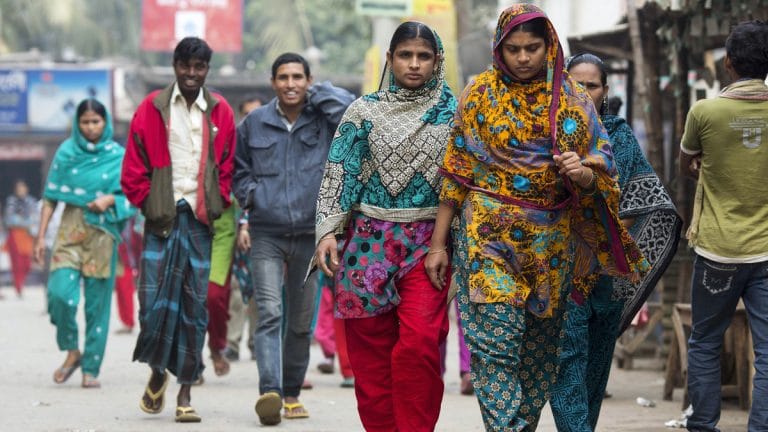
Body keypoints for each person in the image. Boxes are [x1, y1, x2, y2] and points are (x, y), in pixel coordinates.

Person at [424, 4, 649, 430]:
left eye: (532, 48)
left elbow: (605, 169)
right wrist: (438, 244)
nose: (523, 57)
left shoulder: (573, 100)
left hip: (552, 248)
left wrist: (582, 173)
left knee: (539, 357)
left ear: (549, 47)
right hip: (487, 238)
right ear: (499, 48)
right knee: (497, 344)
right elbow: (456, 172)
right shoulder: (479, 96)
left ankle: (518, 425)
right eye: (513, 49)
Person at [314, 21, 456, 431]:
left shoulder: (455, 115)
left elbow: (462, 181)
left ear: (436, 61)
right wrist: (327, 231)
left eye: (423, 56)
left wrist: (448, 244)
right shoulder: (363, 111)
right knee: (371, 357)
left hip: (429, 245)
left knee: (420, 346)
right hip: (367, 245)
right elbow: (339, 171)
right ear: (390, 59)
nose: (414, 64)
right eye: (405, 55)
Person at [549, 52, 682, 431]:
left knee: (595, 366)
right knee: (566, 358)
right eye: (574, 84)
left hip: (607, 275)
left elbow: (648, 201)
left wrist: (609, 239)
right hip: (560, 270)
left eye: (591, 85)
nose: (583, 92)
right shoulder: (544, 134)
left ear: (605, 91)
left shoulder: (619, 136)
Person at [233, 52, 354, 425]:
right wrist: (253, 199)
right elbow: (239, 172)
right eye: (283, 77)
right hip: (267, 233)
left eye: (298, 77)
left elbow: (350, 111)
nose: (290, 84)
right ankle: (269, 391)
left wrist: (318, 93)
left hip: (311, 236)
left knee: (301, 322)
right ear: (272, 82)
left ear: (308, 79)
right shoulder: (254, 123)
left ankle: (291, 392)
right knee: (270, 312)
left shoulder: (323, 118)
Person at [121, 36, 236, 423]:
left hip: (201, 222)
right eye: (185, 66)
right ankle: (157, 371)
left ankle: (186, 391)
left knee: (194, 308)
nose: (191, 74)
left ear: (207, 69)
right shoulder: (151, 107)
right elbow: (133, 167)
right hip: (161, 221)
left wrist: (217, 199)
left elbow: (228, 166)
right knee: (151, 305)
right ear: (174, 65)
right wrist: (150, 204)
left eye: (199, 67)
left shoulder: (220, 111)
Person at [679, 20, 768, 432]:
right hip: (766, 252)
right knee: (767, 352)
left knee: (705, 342)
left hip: (716, 250)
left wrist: (707, 168)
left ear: (727, 63)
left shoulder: (705, 111)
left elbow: (687, 163)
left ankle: (702, 427)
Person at [33, 98, 134, 389]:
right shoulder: (67, 152)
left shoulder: (117, 155)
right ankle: (72, 350)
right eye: (85, 122)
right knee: (60, 295)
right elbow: (51, 196)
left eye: (96, 122)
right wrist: (40, 237)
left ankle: (91, 366)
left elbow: (134, 194)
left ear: (106, 123)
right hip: (70, 230)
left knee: (96, 305)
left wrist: (110, 199)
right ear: (77, 124)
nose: (90, 128)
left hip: (102, 235)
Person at [223, 93, 266, 362]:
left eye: (257, 113)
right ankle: (232, 341)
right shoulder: (233, 147)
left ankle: (256, 341)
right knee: (235, 289)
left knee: (261, 287)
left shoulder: (272, 145)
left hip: (263, 225)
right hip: (231, 224)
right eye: (247, 113)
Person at [4, 179, 39, 297]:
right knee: (17, 263)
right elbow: (9, 219)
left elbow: (36, 218)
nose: (21, 190)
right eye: (18, 188)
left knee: (27, 263)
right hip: (16, 235)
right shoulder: (12, 201)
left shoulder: (32, 201)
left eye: (22, 188)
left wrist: (27, 223)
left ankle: (21, 283)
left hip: (28, 236)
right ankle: (18, 286)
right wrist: (26, 222)